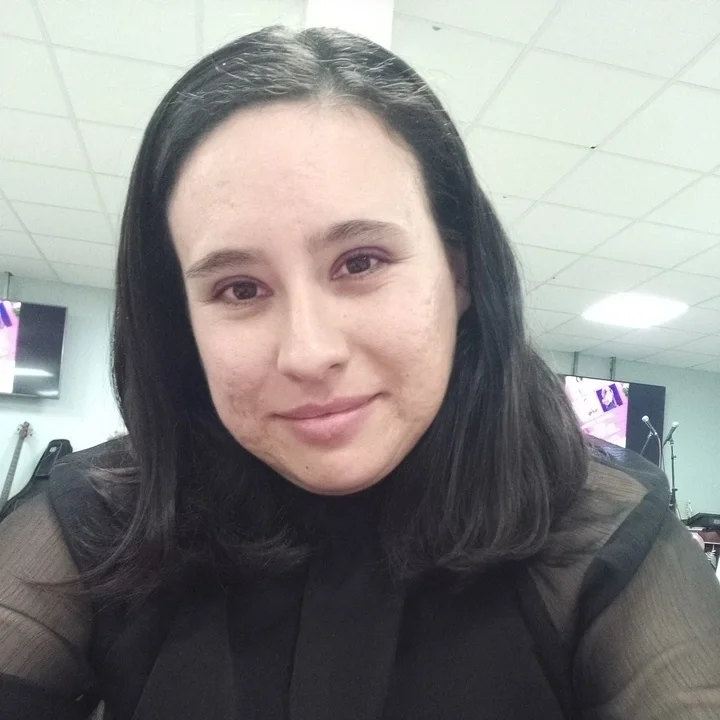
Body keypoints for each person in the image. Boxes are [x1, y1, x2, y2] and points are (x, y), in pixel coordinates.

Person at [1, 26, 719, 720]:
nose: (308, 352)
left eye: (361, 262)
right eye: (240, 289)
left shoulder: (602, 535)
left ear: (460, 273)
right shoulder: (103, 518)